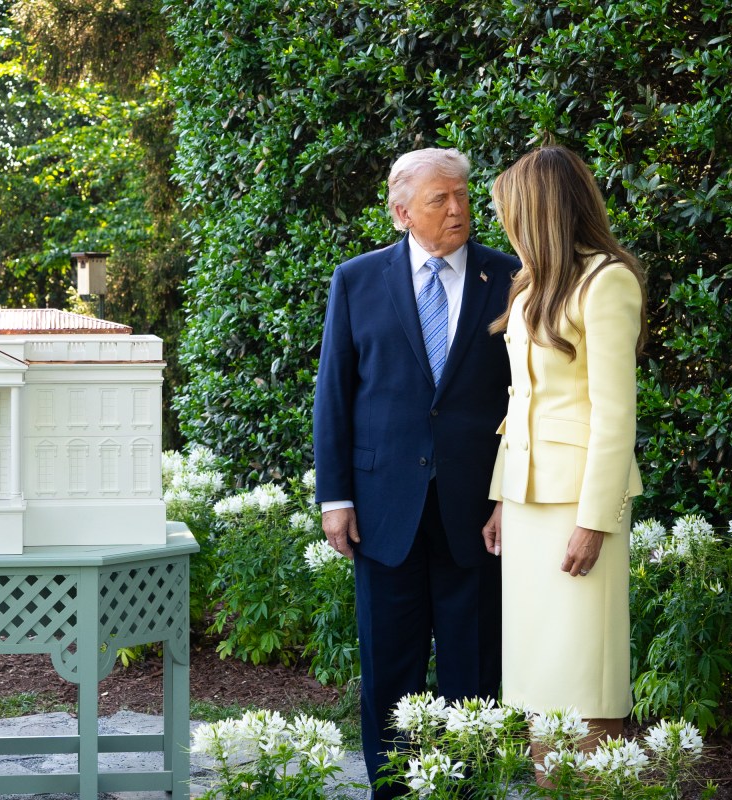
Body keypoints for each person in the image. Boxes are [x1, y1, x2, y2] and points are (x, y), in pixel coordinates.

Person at [313, 148, 518, 800]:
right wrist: (335, 496)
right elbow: (334, 395)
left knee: (474, 669)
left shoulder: (510, 277)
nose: (457, 209)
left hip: (476, 510)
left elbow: (527, 398)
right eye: (439, 199)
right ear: (402, 213)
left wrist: (510, 495)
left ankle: (467, 791)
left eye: (461, 195)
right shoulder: (357, 280)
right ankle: (394, 792)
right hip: (381, 508)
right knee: (389, 669)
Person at [481, 144, 647, 764]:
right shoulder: (529, 289)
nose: (504, 225)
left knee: (583, 685)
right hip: (526, 505)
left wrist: (594, 519)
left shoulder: (608, 282)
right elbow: (518, 401)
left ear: (541, 211)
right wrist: (502, 496)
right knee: (536, 687)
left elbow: (615, 414)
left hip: (578, 509)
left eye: (511, 211)